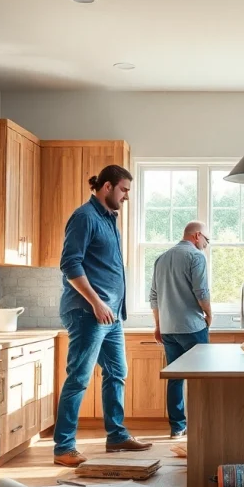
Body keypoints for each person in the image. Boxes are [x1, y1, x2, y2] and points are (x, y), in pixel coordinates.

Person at [54, 165, 152, 467]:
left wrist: (112, 307)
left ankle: (117, 435)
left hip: (111, 315)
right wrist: (96, 302)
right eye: (124, 190)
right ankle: (63, 447)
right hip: (88, 312)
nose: (126, 197)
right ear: (107, 186)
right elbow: (70, 264)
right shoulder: (84, 217)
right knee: (79, 378)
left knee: (117, 372)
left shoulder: (109, 220)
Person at [149, 221, 213, 439]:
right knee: (202, 377)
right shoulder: (196, 257)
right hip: (192, 327)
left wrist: (158, 325)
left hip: (168, 328)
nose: (206, 244)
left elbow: (154, 296)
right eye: (206, 239)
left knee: (175, 378)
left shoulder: (161, 258)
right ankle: (203, 425)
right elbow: (201, 291)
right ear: (197, 236)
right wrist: (209, 314)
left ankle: (177, 428)